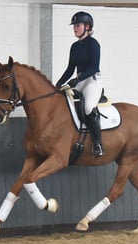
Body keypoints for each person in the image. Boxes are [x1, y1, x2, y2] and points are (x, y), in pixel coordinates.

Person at [56, 11, 104, 157]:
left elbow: (94, 67)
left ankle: (98, 144)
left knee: (88, 107)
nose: (75, 28)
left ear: (87, 27)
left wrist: (77, 79)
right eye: (74, 26)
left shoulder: (94, 44)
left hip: (92, 81)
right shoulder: (74, 47)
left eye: (77, 25)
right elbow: (70, 68)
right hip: (79, 81)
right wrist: (58, 84)